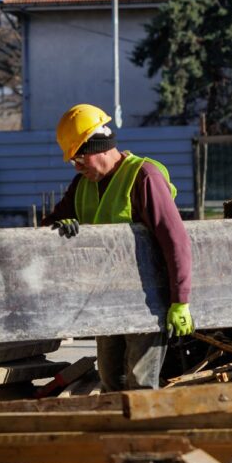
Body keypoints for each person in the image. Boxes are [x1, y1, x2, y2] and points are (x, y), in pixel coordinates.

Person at [42, 103, 194, 391]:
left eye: (79, 158)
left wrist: (180, 300)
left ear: (97, 148)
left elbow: (175, 240)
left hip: (147, 301)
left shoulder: (144, 177)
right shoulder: (81, 185)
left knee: (140, 385)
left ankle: (144, 436)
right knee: (112, 381)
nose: (77, 167)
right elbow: (48, 225)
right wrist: (59, 227)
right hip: (106, 300)